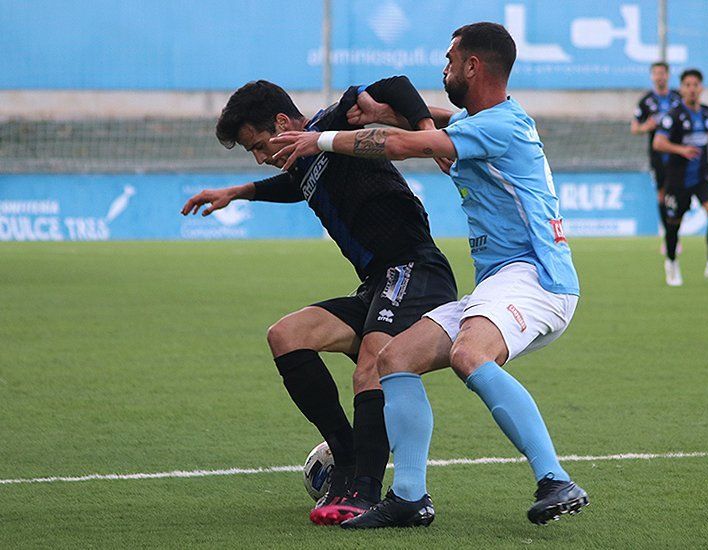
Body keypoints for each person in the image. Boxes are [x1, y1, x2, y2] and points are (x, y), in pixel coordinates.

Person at [270, 22, 588, 528]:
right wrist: (388, 113)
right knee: (395, 358)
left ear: (473, 66)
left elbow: (404, 146)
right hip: (500, 282)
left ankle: (554, 479)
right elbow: (435, 124)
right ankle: (410, 499)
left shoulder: (499, 126)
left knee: (468, 353)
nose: (443, 68)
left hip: (537, 277)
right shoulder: (484, 122)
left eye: (449, 59)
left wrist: (322, 140)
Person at [180, 77, 457, 524]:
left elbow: (396, 85)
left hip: (415, 269)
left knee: (372, 358)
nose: (260, 156)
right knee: (287, 335)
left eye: (259, 144)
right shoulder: (304, 162)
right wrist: (237, 191)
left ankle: (365, 492)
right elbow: (297, 184)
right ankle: (345, 457)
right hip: (377, 282)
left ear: (284, 121)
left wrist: (428, 132)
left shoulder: (333, 122)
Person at [653, 68, 708, 286]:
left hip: (702, 176)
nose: (692, 89)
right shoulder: (674, 116)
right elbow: (658, 143)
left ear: (701, 88)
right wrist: (681, 150)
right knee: (674, 225)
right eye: (687, 85)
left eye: (695, 85)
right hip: (678, 179)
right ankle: (671, 263)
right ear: (682, 88)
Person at [631, 62, 682, 243]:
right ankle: (668, 236)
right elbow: (634, 128)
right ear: (652, 76)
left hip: (678, 153)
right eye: (656, 73)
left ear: (668, 75)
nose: (659, 76)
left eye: (662, 73)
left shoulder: (678, 97)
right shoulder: (646, 101)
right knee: (661, 193)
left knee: (678, 193)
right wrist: (647, 126)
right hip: (658, 156)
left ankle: (674, 233)